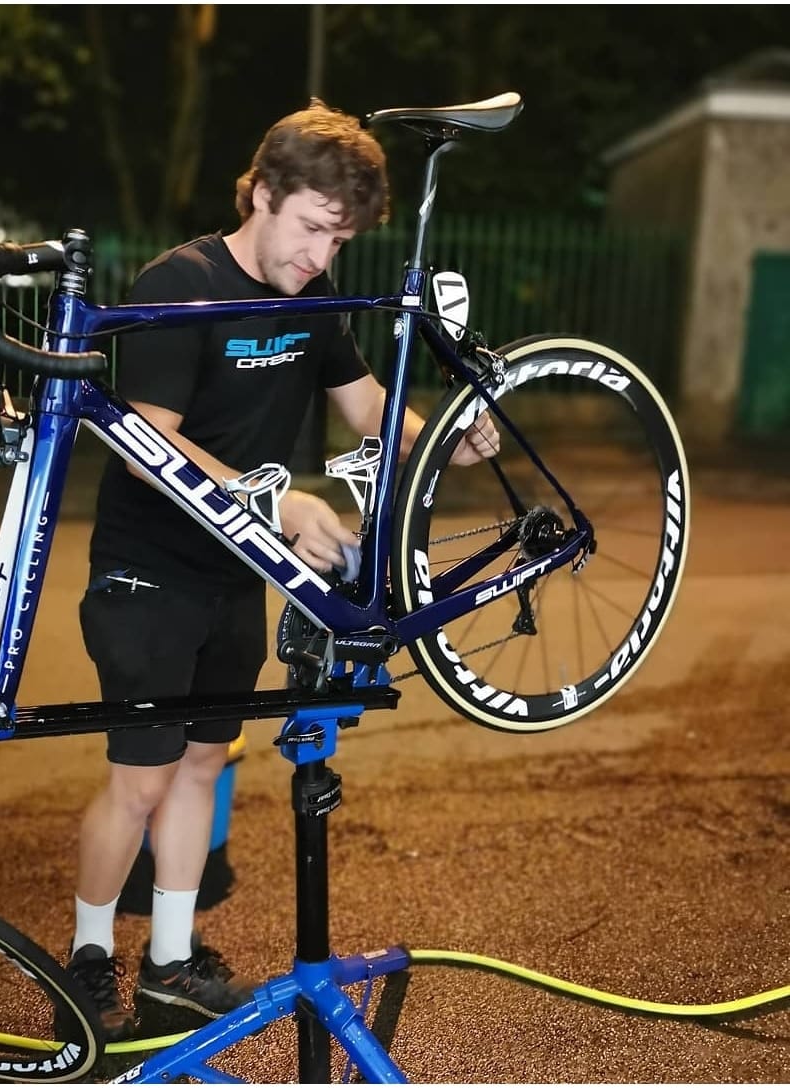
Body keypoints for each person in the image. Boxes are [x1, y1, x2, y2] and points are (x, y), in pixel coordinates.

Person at [67, 98, 500, 1040]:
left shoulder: (312, 298)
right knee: (138, 783)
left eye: (339, 241)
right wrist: (279, 501)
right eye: (311, 228)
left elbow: (367, 405)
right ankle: (87, 960)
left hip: (232, 578)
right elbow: (148, 442)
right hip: (146, 576)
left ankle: (170, 964)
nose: (320, 258)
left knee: (200, 768)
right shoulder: (178, 283)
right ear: (261, 192)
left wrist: (445, 443)